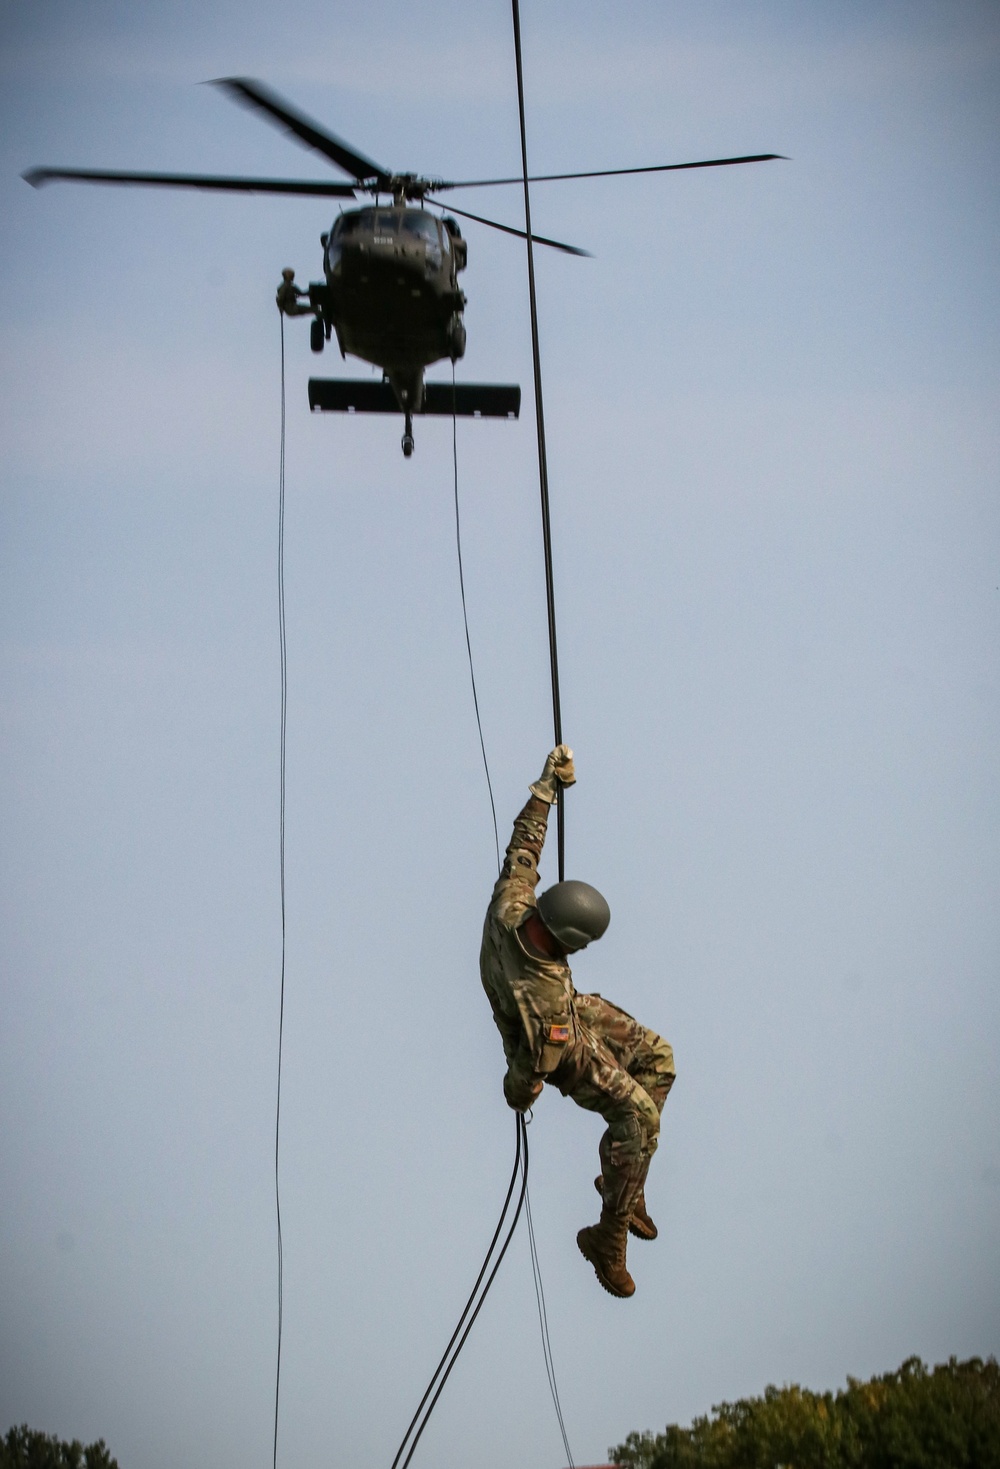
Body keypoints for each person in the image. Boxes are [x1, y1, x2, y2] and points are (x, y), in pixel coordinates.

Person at [480, 746, 675, 1299]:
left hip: (569, 1007)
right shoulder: (542, 1006)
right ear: (570, 943)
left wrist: (547, 787)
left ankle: (625, 1178)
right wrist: (519, 1091)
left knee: (659, 1057)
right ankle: (607, 1238)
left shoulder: (512, 905)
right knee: (639, 1121)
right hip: (558, 1042)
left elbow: (523, 848)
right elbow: (530, 1068)